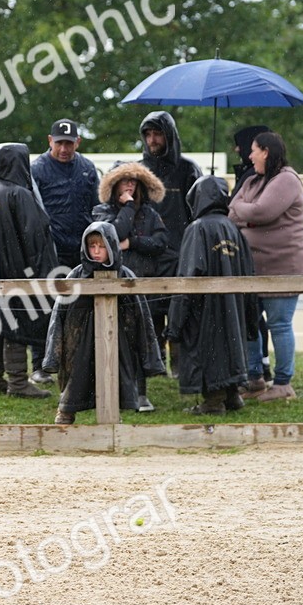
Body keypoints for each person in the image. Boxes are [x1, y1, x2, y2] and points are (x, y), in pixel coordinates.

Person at [42, 223, 164, 424]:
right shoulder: (76, 276)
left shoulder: (125, 276)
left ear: (112, 246)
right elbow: (58, 318)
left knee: (115, 377)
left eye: (102, 246)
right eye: (92, 246)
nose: (97, 252)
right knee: (76, 379)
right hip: (79, 344)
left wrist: (150, 359)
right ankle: (66, 413)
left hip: (118, 341)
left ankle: (113, 418)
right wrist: (52, 358)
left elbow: (143, 320)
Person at [228, 131, 303, 401]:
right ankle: (255, 380)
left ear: (266, 151)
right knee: (250, 322)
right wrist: (247, 213)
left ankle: (284, 383)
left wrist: (247, 212)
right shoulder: (252, 180)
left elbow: (263, 211)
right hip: (252, 269)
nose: (249, 156)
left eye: (253, 151)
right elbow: (232, 211)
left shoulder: (287, 179)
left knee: (279, 325)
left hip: (283, 267)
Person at [167, 176, 258, 415]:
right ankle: (232, 394)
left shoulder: (197, 229)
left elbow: (187, 278)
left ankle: (213, 401)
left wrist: (175, 323)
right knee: (229, 343)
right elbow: (249, 273)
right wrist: (251, 317)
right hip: (234, 305)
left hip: (204, 307)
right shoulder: (234, 230)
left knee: (207, 348)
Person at [91, 161, 176, 411]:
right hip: (111, 284)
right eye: (124, 180)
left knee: (139, 341)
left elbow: (161, 242)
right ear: (114, 184)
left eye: (133, 181)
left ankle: (140, 394)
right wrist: (127, 207)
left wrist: (135, 242)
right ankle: (109, 393)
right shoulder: (101, 212)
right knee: (110, 339)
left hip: (142, 286)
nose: (129, 185)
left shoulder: (150, 214)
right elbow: (113, 235)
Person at [0, 142, 58, 398]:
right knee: (15, 324)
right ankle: (17, 382)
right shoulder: (18, 193)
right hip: (17, 272)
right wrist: (41, 271)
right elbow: (35, 235)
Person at [30, 118, 99, 385]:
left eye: (69, 144)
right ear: (50, 141)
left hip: (81, 252)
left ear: (77, 143)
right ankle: (39, 364)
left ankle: (80, 361)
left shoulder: (87, 168)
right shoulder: (37, 169)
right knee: (44, 307)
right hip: (50, 252)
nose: (64, 149)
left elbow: (95, 208)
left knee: (81, 306)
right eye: (59, 143)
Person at [138, 110, 203, 376]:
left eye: (158, 134)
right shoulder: (139, 170)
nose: (152, 140)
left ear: (169, 135)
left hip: (180, 251)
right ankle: (157, 363)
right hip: (149, 251)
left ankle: (179, 361)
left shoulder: (187, 169)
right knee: (151, 309)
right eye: (148, 134)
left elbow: (198, 210)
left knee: (180, 308)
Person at [230, 124, 273, 379]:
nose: (239, 150)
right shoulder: (251, 175)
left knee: (254, 314)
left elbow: (238, 208)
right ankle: (259, 367)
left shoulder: (252, 177)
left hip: (252, 254)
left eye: (242, 145)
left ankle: (257, 369)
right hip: (254, 252)